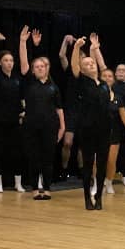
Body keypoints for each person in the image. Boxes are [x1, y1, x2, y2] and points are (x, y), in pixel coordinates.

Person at [18, 25, 64, 201]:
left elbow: (59, 108)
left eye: (42, 66)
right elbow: (23, 62)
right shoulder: (29, 82)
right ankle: (35, 189)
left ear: (46, 68)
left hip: (50, 126)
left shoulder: (53, 87)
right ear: (33, 69)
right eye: (36, 66)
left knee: (48, 158)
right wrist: (24, 42)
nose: (39, 68)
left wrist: (62, 126)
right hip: (31, 125)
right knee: (34, 158)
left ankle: (47, 187)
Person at [70, 35, 112, 210]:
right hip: (87, 129)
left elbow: (101, 64)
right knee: (88, 164)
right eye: (86, 64)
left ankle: (99, 197)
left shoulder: (103, 84)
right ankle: (87, 197)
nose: (90, 65)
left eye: (91, 63)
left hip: (104, 129)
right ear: (82, 68)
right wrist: (77, 47)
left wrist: (95, 48)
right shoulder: (82, 82)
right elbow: (74, 65)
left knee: (102, 165)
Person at [0, 31, 25, 193]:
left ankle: (18, 183)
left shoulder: (17, 78)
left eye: (11, 60)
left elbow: (22, 98)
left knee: (16, 153)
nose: (9, 63)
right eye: (6, 60)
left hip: (14, 121)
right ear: (0, 62)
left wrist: (24, 111)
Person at [100, 67, 125, 195]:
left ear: (113, 79)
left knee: (111, 161)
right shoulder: (95, 94)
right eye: (104, 76)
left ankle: (109, 182)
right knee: (96, 161)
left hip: (113, 132)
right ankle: (97, 183)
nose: (107, 78)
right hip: (98, 132)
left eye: (110, 76)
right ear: (100, 78)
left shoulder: (118, 97)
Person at [58, 34, 79, 179]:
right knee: (67, 142)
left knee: (84, 145)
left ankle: (84, 171)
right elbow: (61, 55)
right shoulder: (70, 72)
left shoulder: (90, 76)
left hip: (85, 112)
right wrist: (65, 40)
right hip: (70, 111)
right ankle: (64, 169)